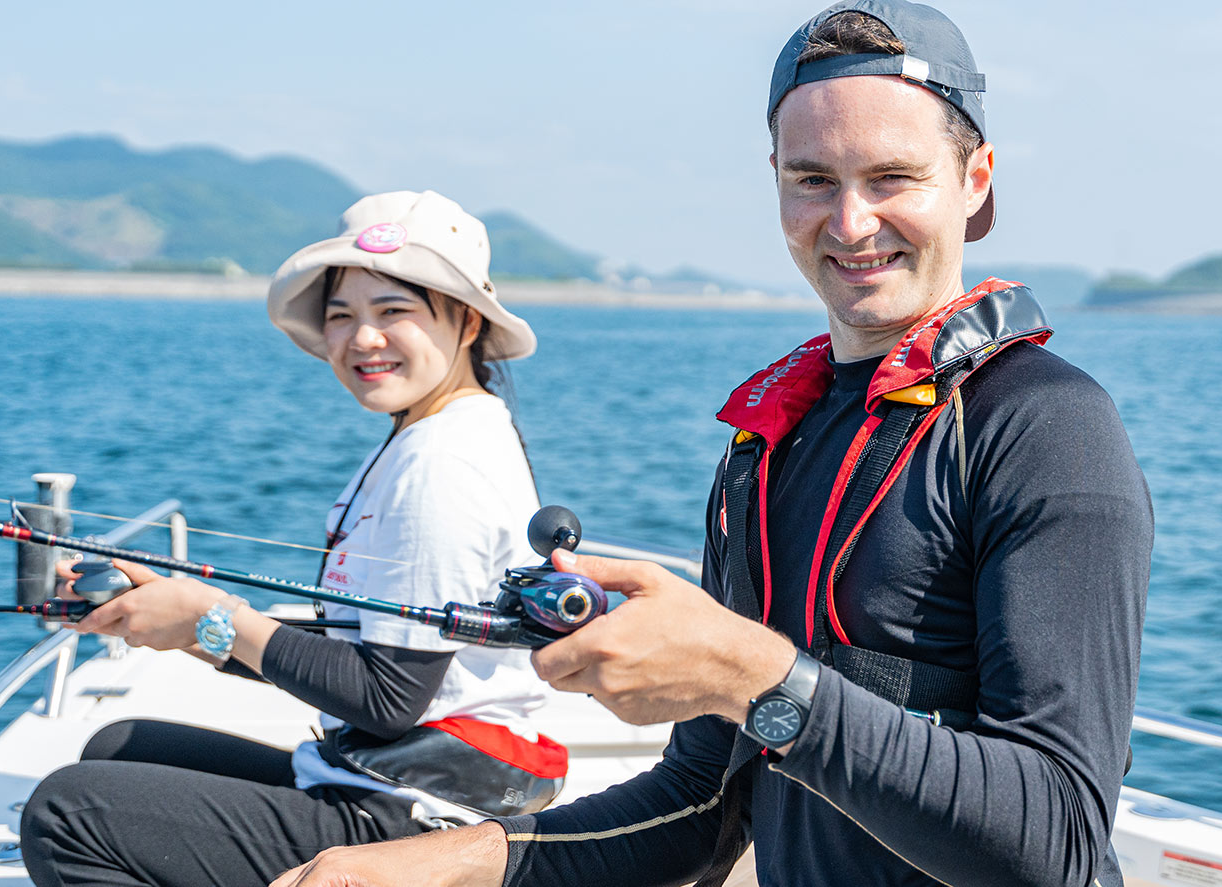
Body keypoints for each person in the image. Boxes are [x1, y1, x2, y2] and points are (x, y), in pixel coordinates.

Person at [274, 3, 1151, 885]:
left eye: (892, 177)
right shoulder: (767, 444)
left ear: (976, 180)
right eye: (813, 179)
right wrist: (434, 863)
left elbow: (1061, 841)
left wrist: (755, 676)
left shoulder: (1046, 428)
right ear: (774, 178)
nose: (848, 223)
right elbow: (701, 799)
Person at [20, 190, 568, 887]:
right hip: (392, 778)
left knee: (66, 811)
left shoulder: (442, 462)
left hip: (412, 819)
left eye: (392, 311)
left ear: (463, 321)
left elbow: (389, 697)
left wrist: (210, 616)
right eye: (342, 316)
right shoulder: (430, 433)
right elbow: (363, 651)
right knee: (114, 748)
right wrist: (188, 628)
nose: (362, 338)